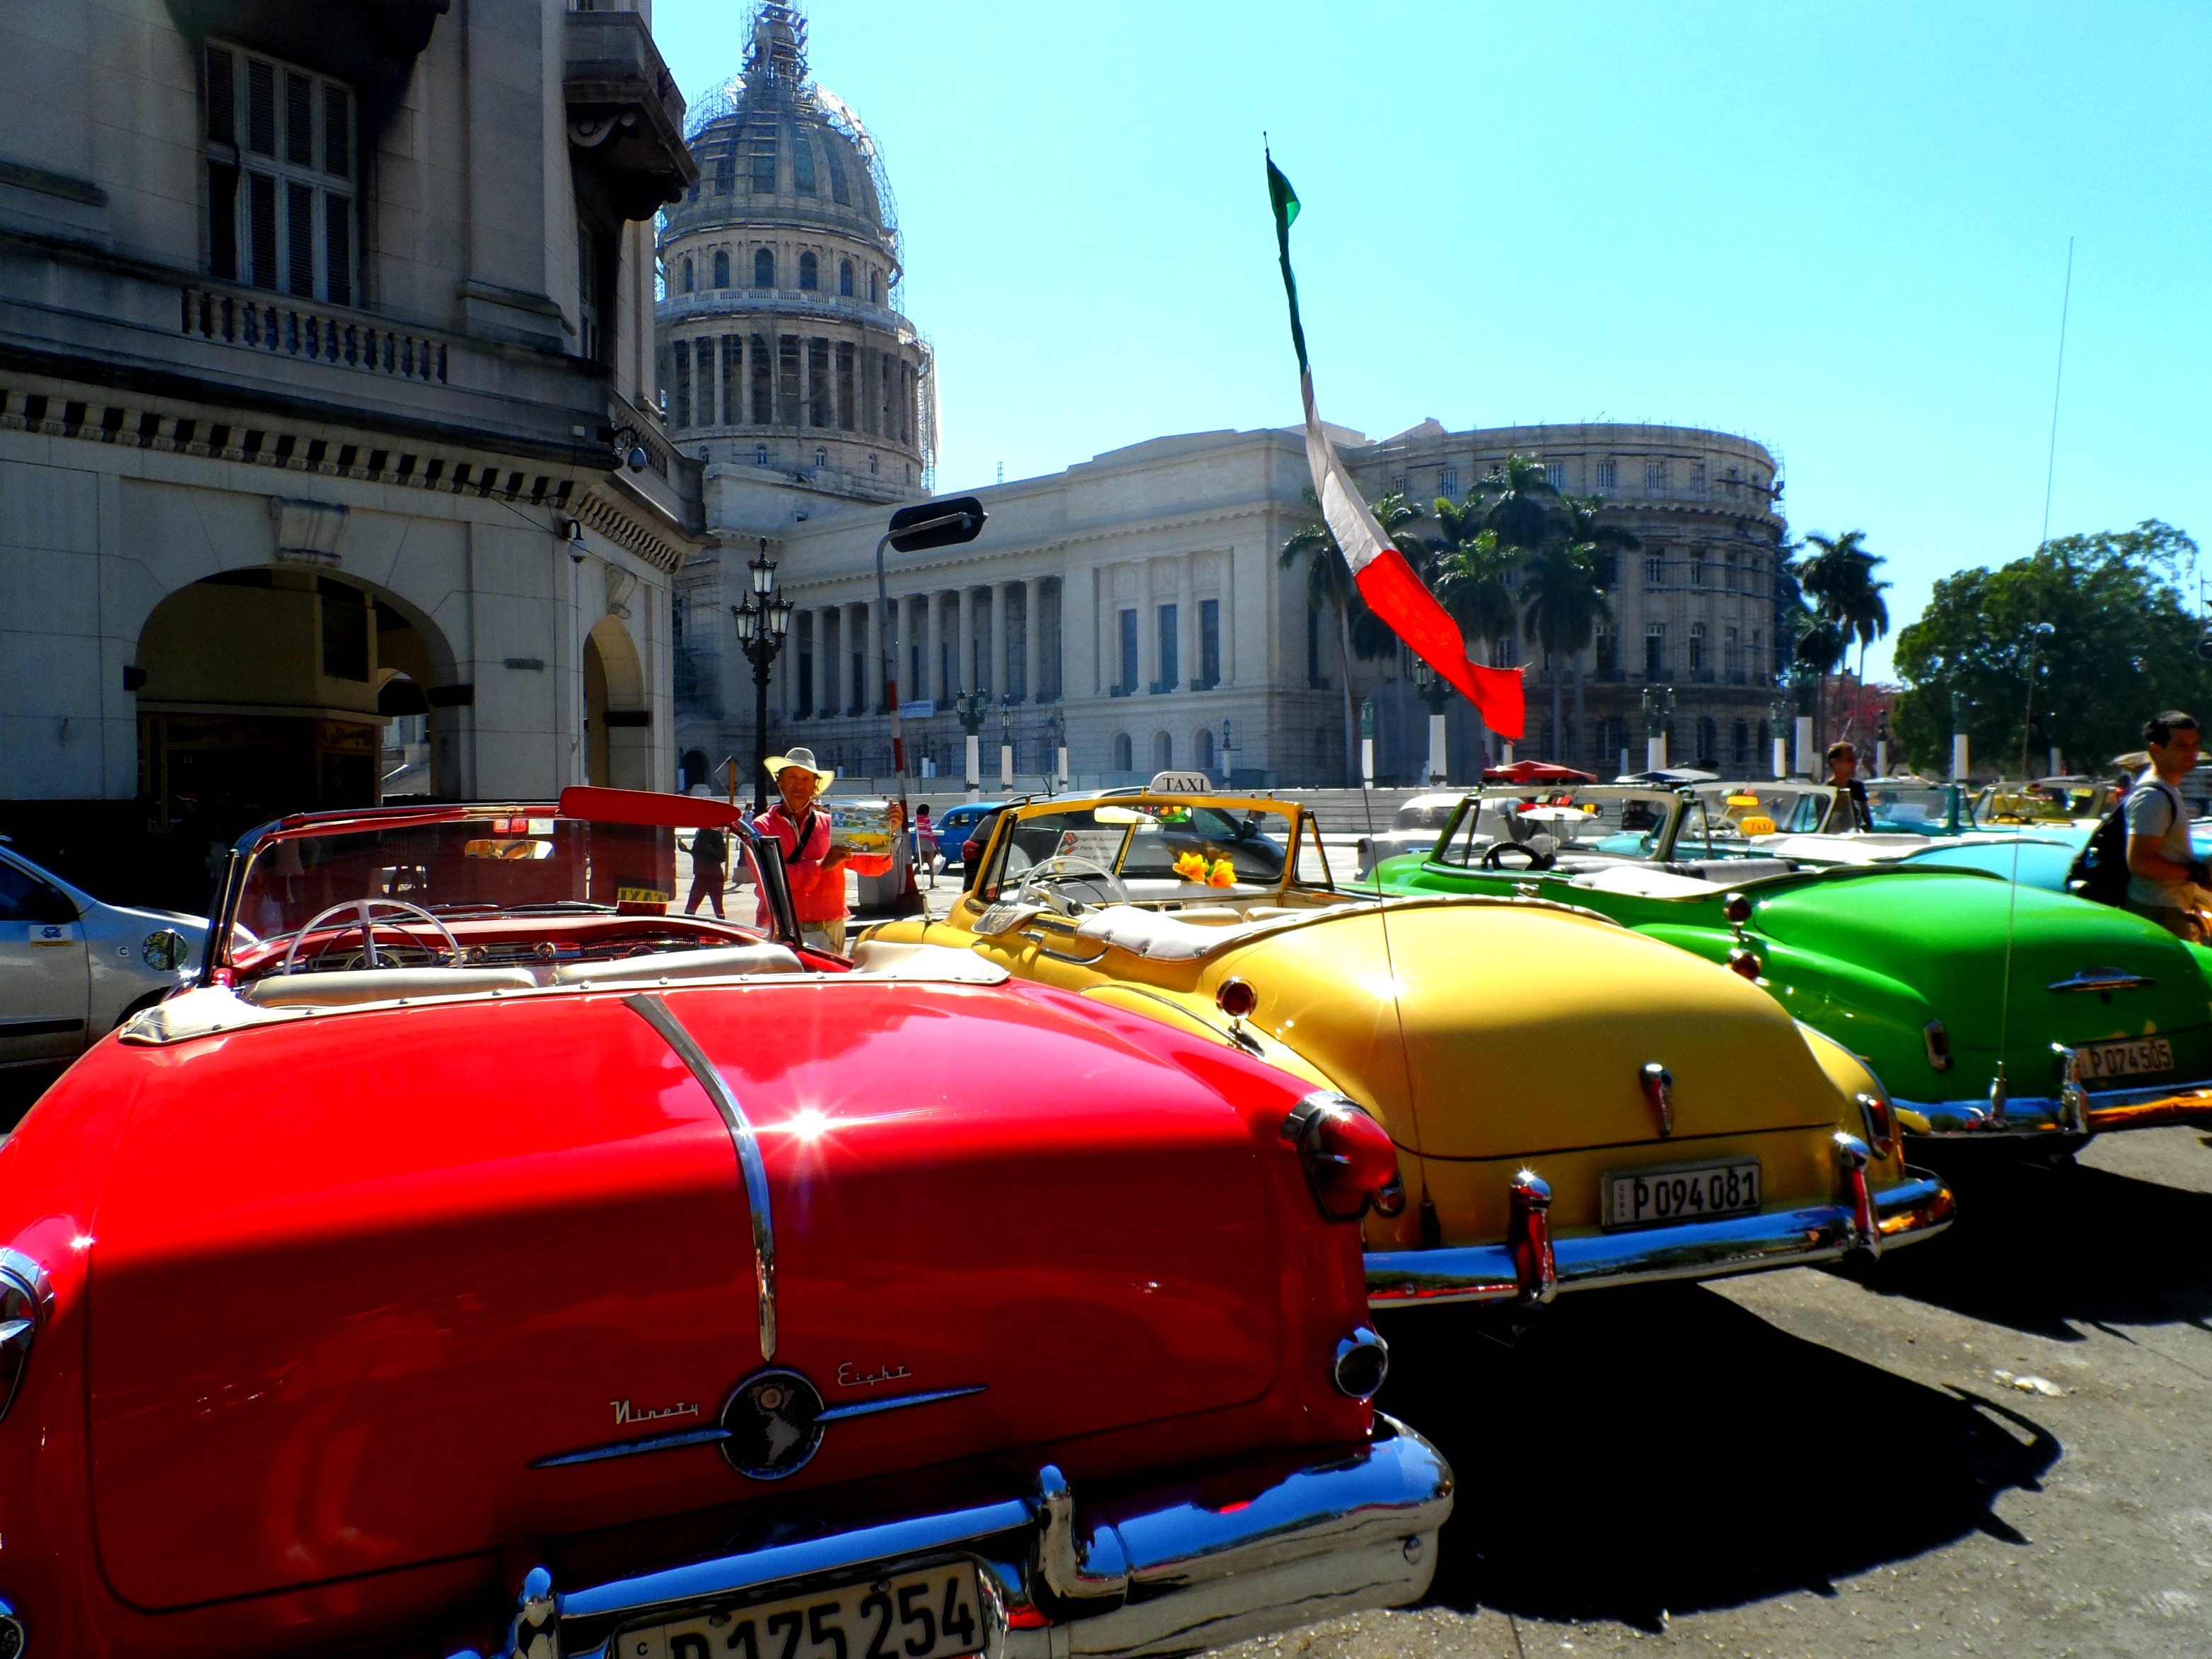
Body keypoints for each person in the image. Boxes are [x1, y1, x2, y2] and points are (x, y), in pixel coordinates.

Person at [752, 747, 857, 954]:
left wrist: (886, 833)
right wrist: (821, 866)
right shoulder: (762, 827)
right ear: (780, 782)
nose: (799, 784)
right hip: (782, 933)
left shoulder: (831, 825)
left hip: (829, 931)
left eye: (806, 779)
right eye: (792, 776)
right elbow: (769, 878)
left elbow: (871, 866)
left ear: (815, 786)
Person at [2124, 711, 2209, 941]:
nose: (2192, 751)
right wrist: (2196, 873)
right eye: (2181, 745)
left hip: (2169, 906)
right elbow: (2141, 863)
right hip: (2157, 909)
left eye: (2195, 744)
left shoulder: (2167, 789)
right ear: (2156, 749)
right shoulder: (2152, 796)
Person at [1821, 742, 1874, 832]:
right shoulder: (1825, 793)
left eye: (1855, 760)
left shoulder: (1857, 787)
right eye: (1849, 760)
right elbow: (1825, 825)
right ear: (1835, 763)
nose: (1854, 764)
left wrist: (1859, 832)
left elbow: (1868, 821)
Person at [914, 803, 937, 889]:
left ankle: (911, 879)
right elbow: (929, 832)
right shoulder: (926, 819)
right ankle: (932, 883)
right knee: (931, 864)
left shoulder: (916, 819)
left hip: (919, 841)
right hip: (927, 841)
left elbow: (917, 830)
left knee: (921, 863)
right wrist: (935, 844)